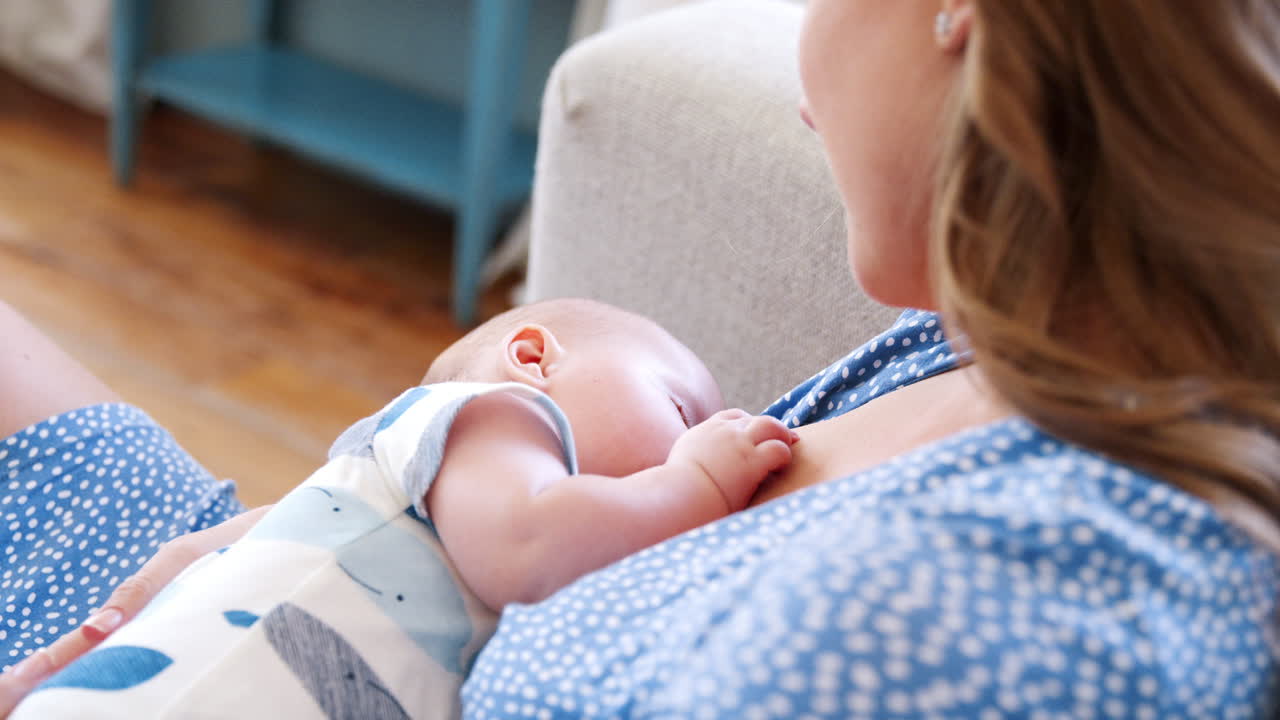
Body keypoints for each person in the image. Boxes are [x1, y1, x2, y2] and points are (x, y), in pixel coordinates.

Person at [2, 0, 1279, 717]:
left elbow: (519, 544)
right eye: (678, 406)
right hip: (248, 626)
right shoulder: (1005, 350)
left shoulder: (969, 610)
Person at [8, 298, 796, 719]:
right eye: (681, 411)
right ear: (532, 360)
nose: (685, 441)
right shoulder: (485, 417)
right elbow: (527, 546)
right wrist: (698, 483)